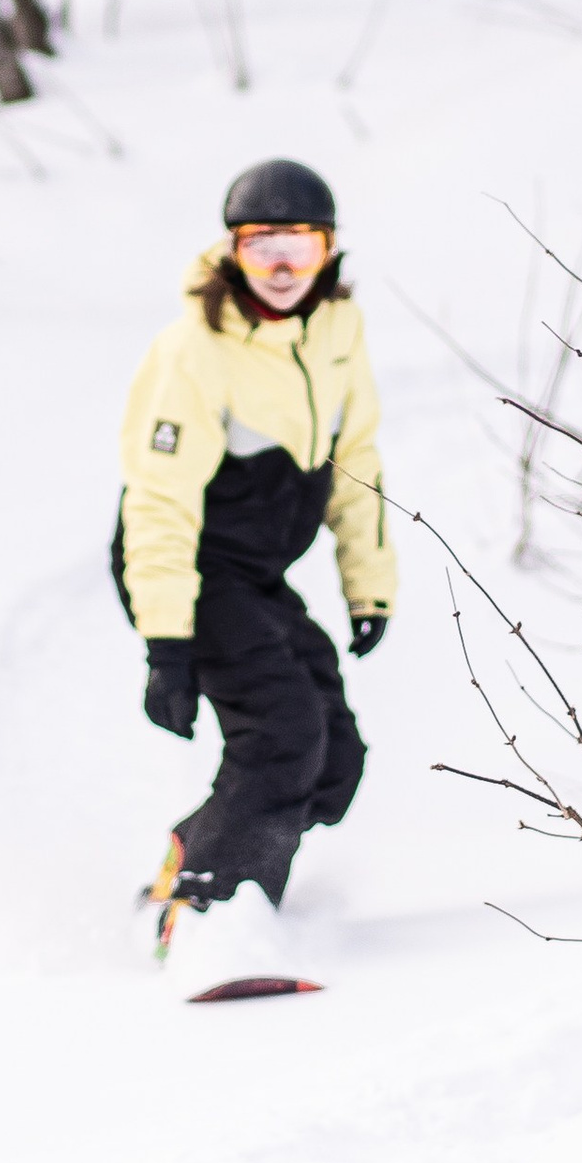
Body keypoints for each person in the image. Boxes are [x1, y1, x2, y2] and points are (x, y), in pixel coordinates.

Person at [114, 159, 393, 951]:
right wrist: (167, 644)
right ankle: (209, 917)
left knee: (333, 759)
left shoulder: (338, 334)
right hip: (184, 567)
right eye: (258, 244)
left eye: (297, 247)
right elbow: (159, 505)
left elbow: (357, 463)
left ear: (328, 252)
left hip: (252, 574)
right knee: (283, 736)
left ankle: (195, 856)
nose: (278, 266)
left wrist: (368, 588)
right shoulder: (194, 351)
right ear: (232, 251)